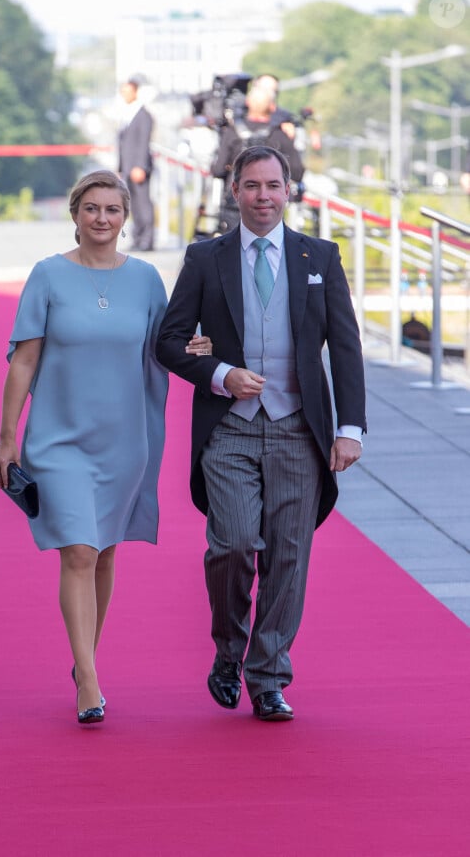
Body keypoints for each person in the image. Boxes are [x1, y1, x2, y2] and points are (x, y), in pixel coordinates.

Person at [0, 170, 211, 726]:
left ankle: (83, 654)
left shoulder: (145, 280)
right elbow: (24, 360)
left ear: (125, 216)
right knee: (80, 550)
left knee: (106, 550)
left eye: (112, 209)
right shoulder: (47, 276)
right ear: (75, 213)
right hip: (59, 439)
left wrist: (197, 348)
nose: (102, 219)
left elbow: (164, 349)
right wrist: (7, 439)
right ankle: (88, 676)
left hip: (124, 439)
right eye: (92, 208)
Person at [156, 146, 366, 722]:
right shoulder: (205, 258)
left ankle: (268, 676)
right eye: (252, 186)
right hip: (230, 430)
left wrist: (349, 429)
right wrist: (221, 373)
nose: (263, 196)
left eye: (273, 185)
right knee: (231, 543)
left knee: (289, 558)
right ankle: (229, 649)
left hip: (301, 430)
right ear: (234, 191)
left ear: (290, 190)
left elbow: (345, 346)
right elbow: (169, 341)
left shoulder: (319, 255)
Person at [210, 76, 305, 232]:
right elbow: (297, 171)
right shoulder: (280, 134)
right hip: (270, 206)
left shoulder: (232, 132)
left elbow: (218, 169)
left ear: (248, 103)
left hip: (235, 205)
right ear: (272, 107)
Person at [117, 76, 155, 251]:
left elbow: (143, 143)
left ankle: (147, 239)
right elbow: (123, 144)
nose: (124, 95)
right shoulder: (126, 114)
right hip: (128, 167)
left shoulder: (143, 115)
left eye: (127, 91)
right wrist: (121, 167)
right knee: (133, 204)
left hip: (139, 167)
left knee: (143, 203)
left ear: (135, 92)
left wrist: (140, 166)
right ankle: (138, 238)